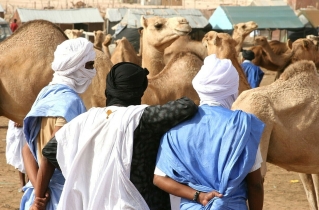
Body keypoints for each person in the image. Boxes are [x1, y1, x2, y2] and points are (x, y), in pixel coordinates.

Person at [38, 62, 212, 210]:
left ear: (109, 88)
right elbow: (186, 106)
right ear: (140, 91)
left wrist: (38, 197)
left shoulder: (83, 122)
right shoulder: (143, 118)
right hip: (139, 203)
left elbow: (48, 153)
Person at [154, 54, 265, 210]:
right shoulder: (243, 127)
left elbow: (159, 178)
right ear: (233, 88)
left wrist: (197, 195)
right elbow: (255, 185)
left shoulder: (176, 127)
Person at [20, 37, 96, 210]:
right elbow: (51, 151)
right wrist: (40, 198)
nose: (94, 71)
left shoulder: (46, 94)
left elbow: (27, 149)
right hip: (58, 198)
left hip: (38, 192)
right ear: (76, 66)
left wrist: (37, 189)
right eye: (89, 65)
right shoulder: (70, 102)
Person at [6, 120, 27, 192]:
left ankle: (30, 184)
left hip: (28, 118)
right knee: (18, 153)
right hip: (15, 123)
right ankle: (23, 184)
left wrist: (21, 119)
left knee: (29, 151)